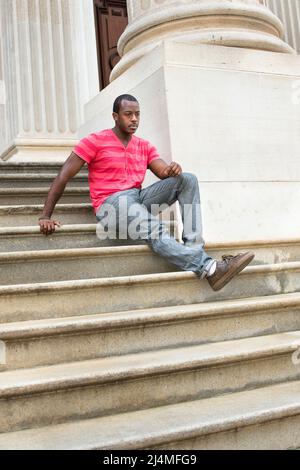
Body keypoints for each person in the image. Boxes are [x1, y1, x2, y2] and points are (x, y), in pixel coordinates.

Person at [39, 94, 254, 291]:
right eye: (128, 114)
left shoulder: (144, 145)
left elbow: (162, 171)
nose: (134, 119)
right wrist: (45, 215)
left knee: (187, 179)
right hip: (110, 204)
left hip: (137, 198)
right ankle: (210, 268)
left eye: (137, 114)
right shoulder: (94, 141)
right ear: (115, 116)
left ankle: (194, 249)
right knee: (154, 227)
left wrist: (172, 169)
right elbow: (63, 176)